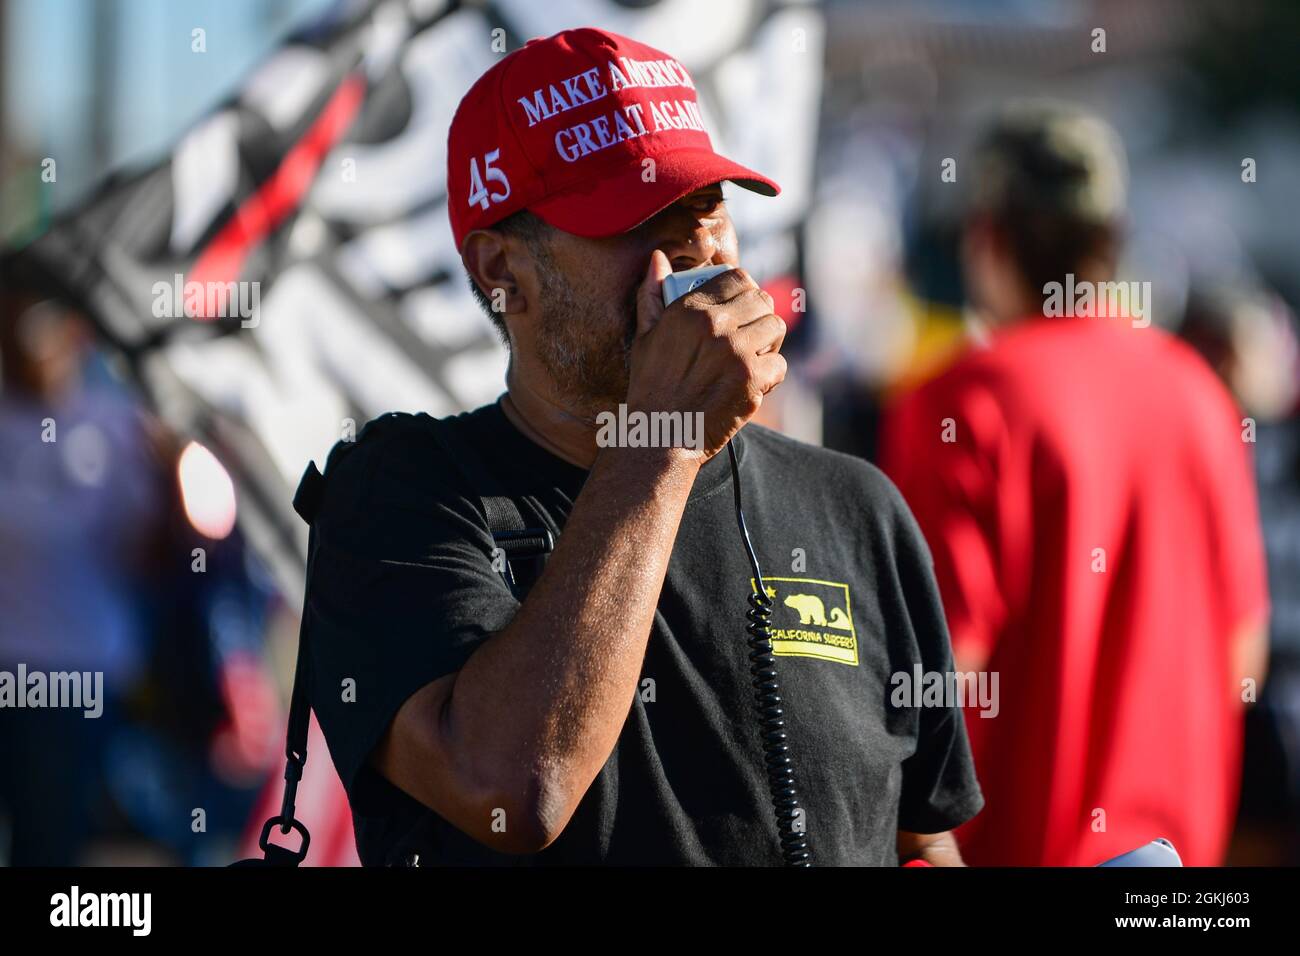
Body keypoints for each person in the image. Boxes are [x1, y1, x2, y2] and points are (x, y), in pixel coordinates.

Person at [306, 27, 983, 866]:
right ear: (500, 269)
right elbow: (515, 791)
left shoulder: (855, 506)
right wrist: (664, 440)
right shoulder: (401, 495)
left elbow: (922, 841)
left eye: (709, 207)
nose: (699, 252)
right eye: (638, 220)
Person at [879, 104, 1271, 866]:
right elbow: (1241, 658)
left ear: (986, 238)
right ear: (1114, 240)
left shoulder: (964, 400)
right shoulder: (1199, 394)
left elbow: (932, 679)